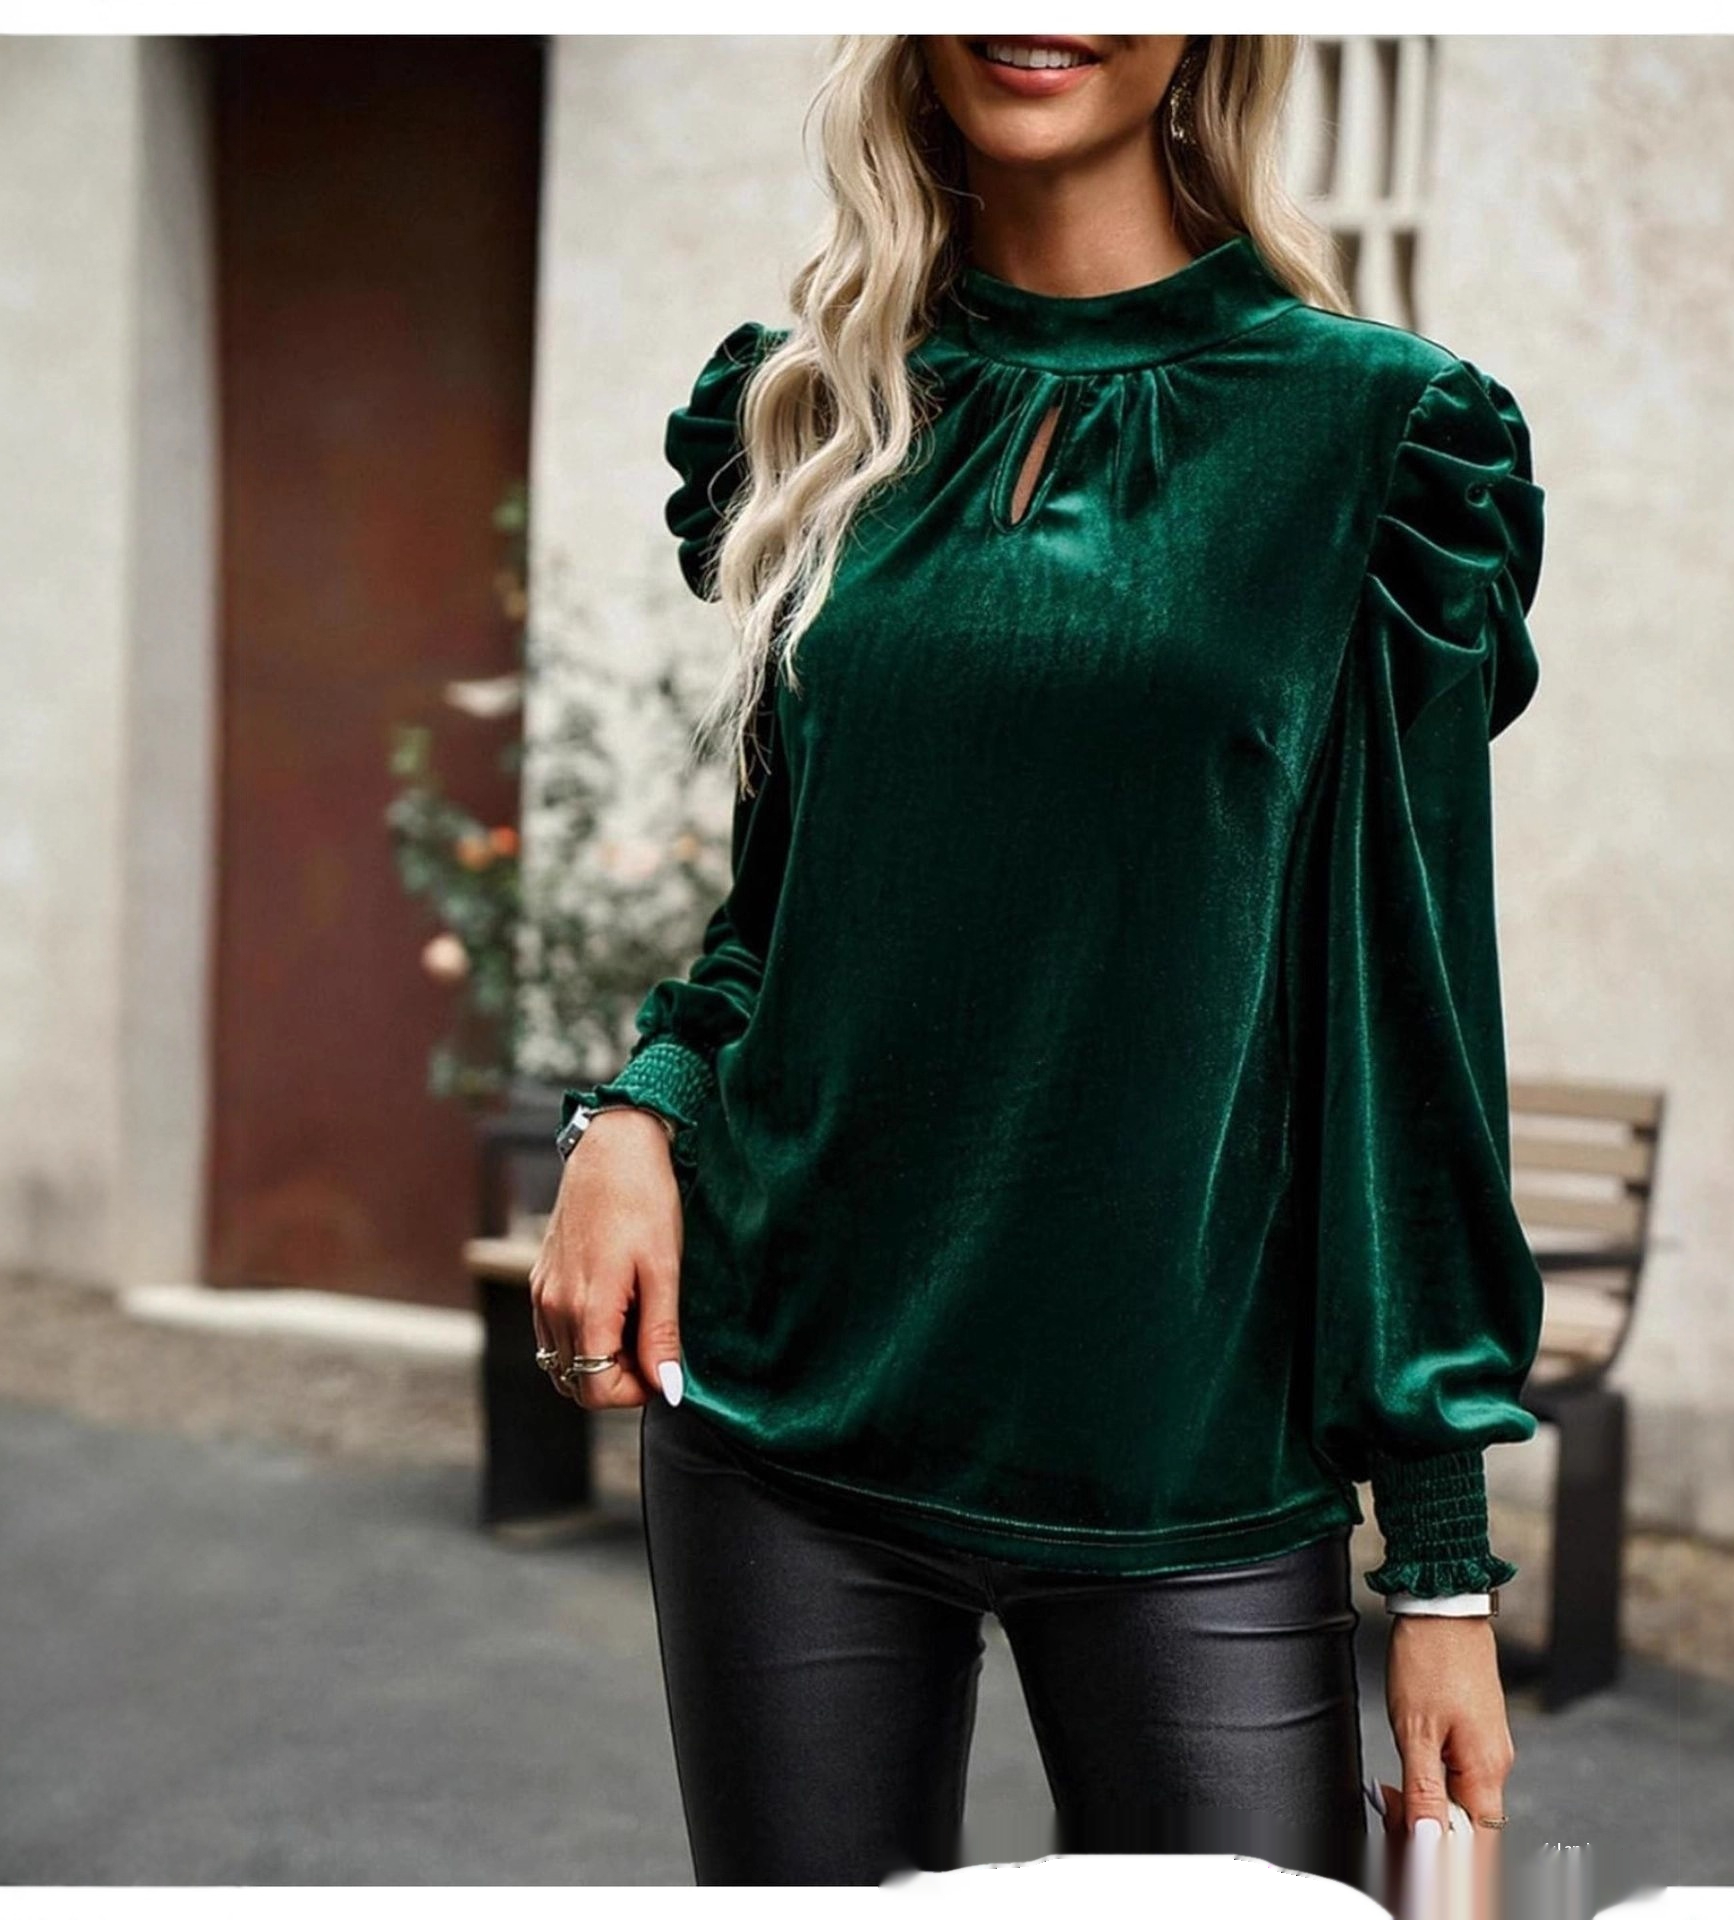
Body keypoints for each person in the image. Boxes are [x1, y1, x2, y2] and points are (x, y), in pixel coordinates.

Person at [532, 32, 1547, 1889]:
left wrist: (1441, 1560)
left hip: (1189, 1463)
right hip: (783, 1420)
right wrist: (640, 1110)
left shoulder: (1379, 439)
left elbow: (1406, 1005)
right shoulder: (812, 410)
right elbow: (789, 915)